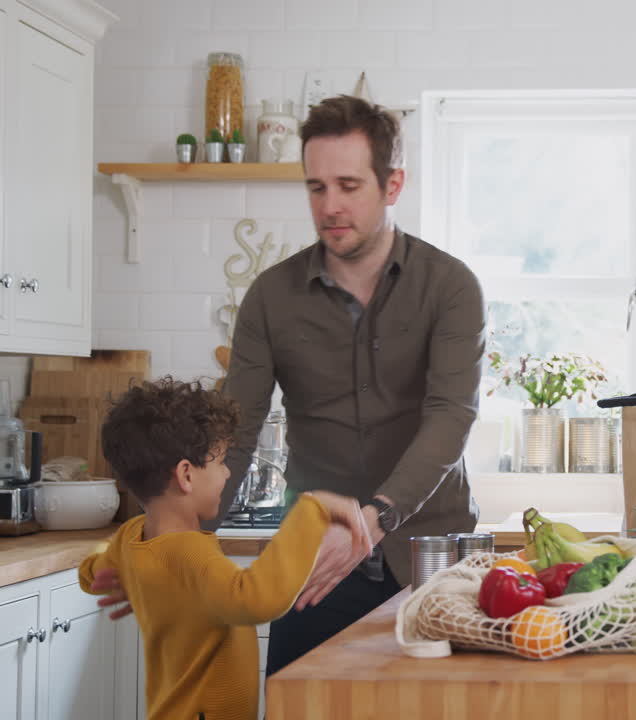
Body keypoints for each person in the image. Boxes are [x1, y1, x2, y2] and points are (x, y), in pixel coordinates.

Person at [221, 94, 485, 675]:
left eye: (348, 185)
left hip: (429, 559)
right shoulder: (271, 297)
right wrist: (166, 540)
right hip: (315, 561)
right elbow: (235, 427)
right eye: (316, 188)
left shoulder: (451, 287)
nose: (330, 206)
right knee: (299, 708)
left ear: (392, 185)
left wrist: (373, 520)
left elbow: (450, 416)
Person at [79, 377, 372, 720]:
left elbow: (94, 573)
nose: (227, 473)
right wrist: (312, 510)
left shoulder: (132, 537)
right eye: (219, 462)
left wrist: (106, 573)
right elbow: (255, 599)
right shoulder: (190, 553)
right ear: (186, 475)